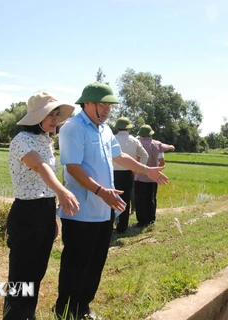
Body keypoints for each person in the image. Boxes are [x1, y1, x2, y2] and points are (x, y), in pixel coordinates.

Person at [55, 82, 169, 320]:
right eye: (102, 104)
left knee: (97, 260)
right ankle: (65, 309)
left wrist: (145, 169)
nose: (107, 110)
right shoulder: (73, 128)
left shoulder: (104, 129)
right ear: (87, 103)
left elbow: (121, 156)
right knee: (76, 262)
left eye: (109, 105)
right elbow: (73, 167)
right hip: (82, 210)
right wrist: (100, 191)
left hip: (105, 210)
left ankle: (83, 306)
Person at [4, 92, 80, 320]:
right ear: (37, 116)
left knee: (37, 271)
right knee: (21, 273)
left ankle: (28, 314)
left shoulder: (46, 140)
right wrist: (63, 190)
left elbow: (45, 182)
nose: (55, 118)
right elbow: (40, 167)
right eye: (50, 114)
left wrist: (53, 216)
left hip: (44, 210)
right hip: (27, 213)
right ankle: (15, 315)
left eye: (57, 114)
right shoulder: (22, 140)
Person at [113, 116, 149, 233]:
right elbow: (145, 155)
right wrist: (137, 169)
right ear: (128, 128)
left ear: (117, 128)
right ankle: (123, 226)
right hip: (129, 173)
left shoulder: (112, 139)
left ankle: (109, 224)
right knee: (126, 200)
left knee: (111, 199)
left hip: (113, 173)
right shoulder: (134, 140)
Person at [134, 125, 175, 227]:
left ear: (141, 135)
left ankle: (142, 221)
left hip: (140, 176)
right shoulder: (157, 144)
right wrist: (171, 146)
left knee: (140, 199)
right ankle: (151, 219)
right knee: (151, 198)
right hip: (154, 176)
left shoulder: (137, 144)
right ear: (151, 134)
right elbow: (166, 147)